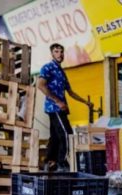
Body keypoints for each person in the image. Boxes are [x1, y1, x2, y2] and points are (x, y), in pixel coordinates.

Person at [37, 43, 92, 171]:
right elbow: (40, 85)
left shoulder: (61, 72)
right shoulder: (48, 67)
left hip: (60, 108)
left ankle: (49, 162)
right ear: (52, 53)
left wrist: (85, 102)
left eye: (61, 51)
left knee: (55, 136)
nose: (60, 54)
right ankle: (63, 163)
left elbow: (70, 92)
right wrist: (57, 101)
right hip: (54, 108)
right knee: (67, 134)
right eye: (56, 51)